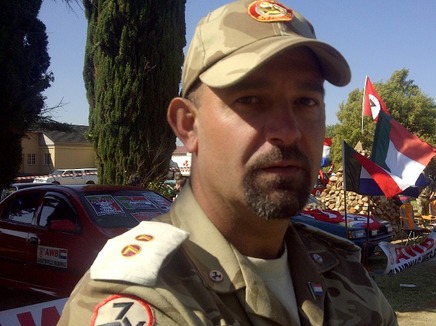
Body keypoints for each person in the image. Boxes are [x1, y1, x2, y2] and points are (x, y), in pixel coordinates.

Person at [58, 1, 397, 325]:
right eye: (251, 100)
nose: (288, 131)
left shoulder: (340, 268)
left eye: (306, 101)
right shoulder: (146, 295)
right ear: (188, 125)